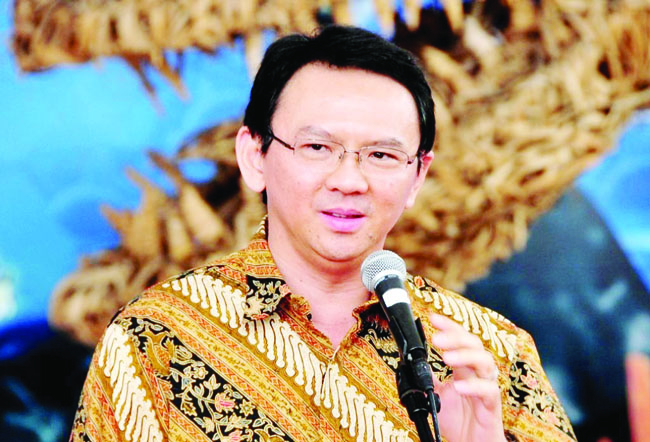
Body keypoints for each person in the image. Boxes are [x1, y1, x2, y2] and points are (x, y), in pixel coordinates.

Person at [70, 25, 576, 442]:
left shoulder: (491, 357)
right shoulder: (153, 341)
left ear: (418, 175)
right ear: (255, 155)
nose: (349, 181)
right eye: (317, 148)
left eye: (381, 154)